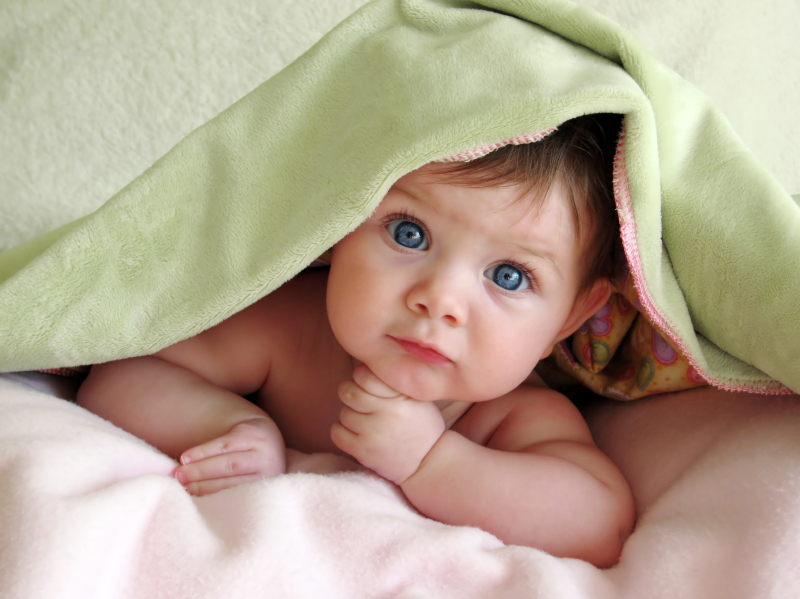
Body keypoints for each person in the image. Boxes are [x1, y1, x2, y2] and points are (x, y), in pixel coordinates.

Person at [76, 113, 635, 568]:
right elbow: (122, 371)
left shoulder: (511, 417)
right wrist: (226, 426)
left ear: (567, 320)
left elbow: (597, 524)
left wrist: (434, 462)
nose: (439, 298)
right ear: (339, 223)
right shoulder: (293, 331)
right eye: (408, 233)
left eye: (508, 276)